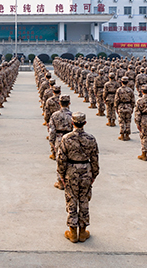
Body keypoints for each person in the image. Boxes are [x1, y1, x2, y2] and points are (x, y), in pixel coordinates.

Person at [57, 112, 99, 243]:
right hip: (86, 171)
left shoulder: (66, 138)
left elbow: (61, 159)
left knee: (72, 200)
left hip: (71, 171)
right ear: (85, 123)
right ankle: (82, 232)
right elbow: (95, 159)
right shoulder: (91, 139)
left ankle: (73, 232)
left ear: (72, 122)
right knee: (84, 200)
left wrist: (61, 175)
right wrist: (94, 174)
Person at [48, 94, 73, 189]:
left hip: (59, 138)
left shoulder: (55, 115)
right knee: (70, 160)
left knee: (60, 160)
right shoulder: (72, 115)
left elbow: (52, 130)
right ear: (69, 103)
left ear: (59, 103)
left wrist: (52, 142)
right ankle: (69, 180)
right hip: (70, 139)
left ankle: (60, 182)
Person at [114, 76, 135, 141]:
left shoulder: (119, 90)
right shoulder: (130, 90)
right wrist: (132, 108)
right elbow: (133, 100)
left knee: (121, 121)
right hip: (128, 106)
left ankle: (122, 135)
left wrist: (116, 107)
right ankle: (127, 135)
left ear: (121, 82)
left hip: (121, 106)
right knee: (128, 121)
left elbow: (116, 100)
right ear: (128, 82)